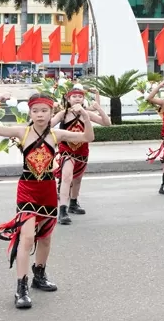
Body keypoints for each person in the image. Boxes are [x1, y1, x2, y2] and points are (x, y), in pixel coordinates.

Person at [0, 92, 95, 309]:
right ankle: (21, 287)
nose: (40, 115)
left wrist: (86, 118)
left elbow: (88, 138)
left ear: (51, 113)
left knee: (46, 238)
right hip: (27, 190)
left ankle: (39, 275)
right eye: (35, 111)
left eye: (44, 111)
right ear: (30, 112)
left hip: (48, 190)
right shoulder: (23, 132)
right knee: (28, 238)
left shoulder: (56, 134)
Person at [52, 86, 111, 225]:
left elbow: (107, 123)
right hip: (66, 149)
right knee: (67, 177)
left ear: (83, 99)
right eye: (74, 96)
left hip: (82, 151)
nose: (78, 99)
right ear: (68, 99)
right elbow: (49, 124)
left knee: (77, 180)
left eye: (80, 96)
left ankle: (73, 203)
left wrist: (99, 108)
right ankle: (62, 210)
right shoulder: (63, 114)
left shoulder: (87, 114)